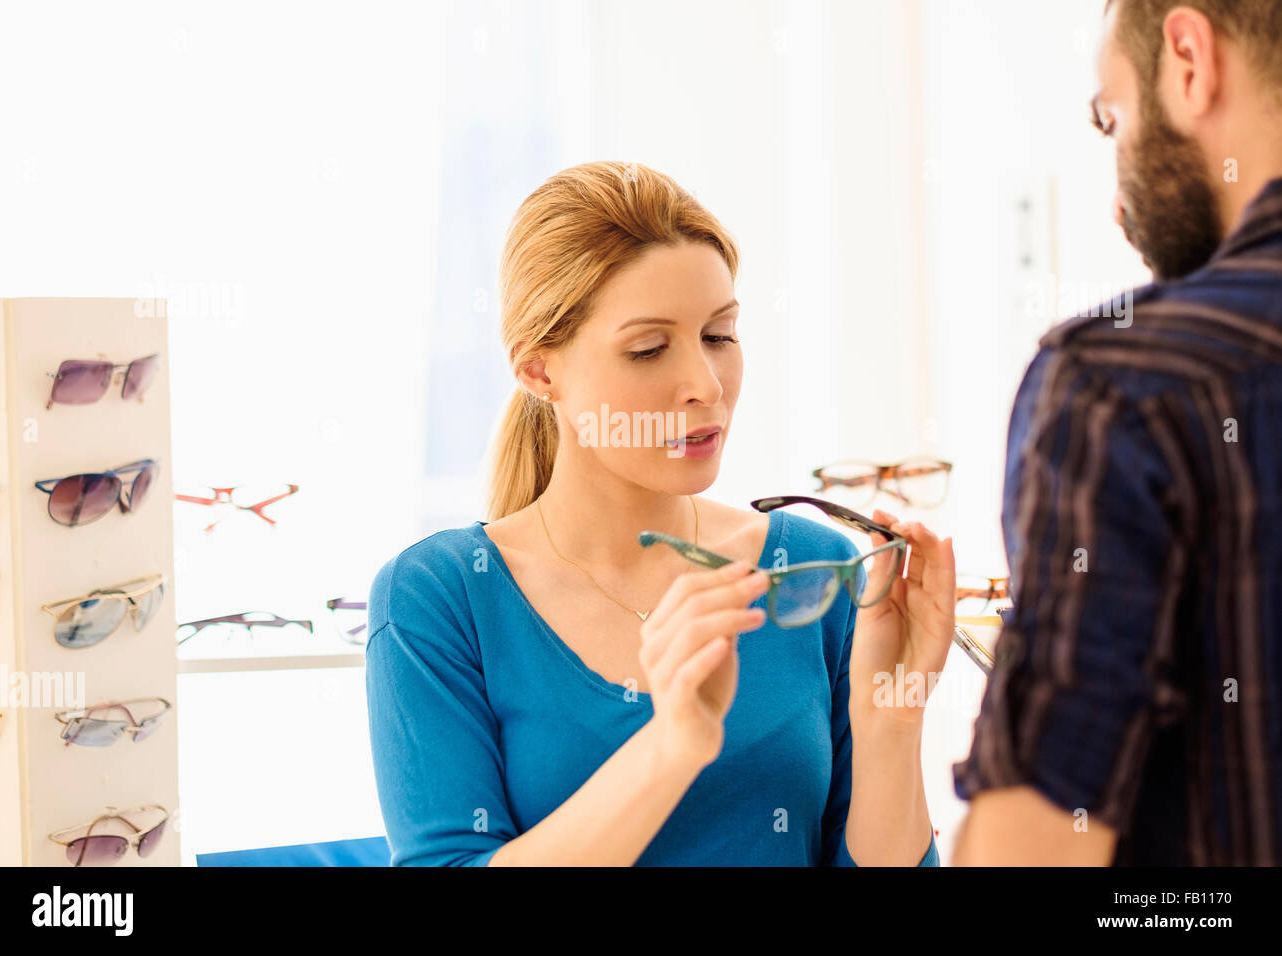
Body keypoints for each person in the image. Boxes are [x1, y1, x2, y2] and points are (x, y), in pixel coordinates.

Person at [365, 160, 955, 866]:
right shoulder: (442, 597)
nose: (705, 386)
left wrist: (892, 722)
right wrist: (673, 744)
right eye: (649, 348)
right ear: (539, 370)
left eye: (719, 336)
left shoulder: (811, 573)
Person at [952, 0, 1282, 865]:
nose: (1117, 205)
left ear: (1189, 57)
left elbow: (1037, 848)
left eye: (1112, 119)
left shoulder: (1119, 387)